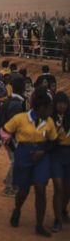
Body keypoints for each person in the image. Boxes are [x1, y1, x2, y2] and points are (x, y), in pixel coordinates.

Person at [1, 87, 57, 237]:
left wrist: (43, 152)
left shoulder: (49, 122)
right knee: (23, 190)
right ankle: (17, 209)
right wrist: (14, 149)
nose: (51, 111)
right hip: (23, 155)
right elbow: (5, 131)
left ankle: (39, 224)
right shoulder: (20, 119)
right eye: (49, 108)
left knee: (40, 188)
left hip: (42, 155)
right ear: (41, 108)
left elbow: (53, 141)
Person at [0, 78, 27, 197]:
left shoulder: (11, 101)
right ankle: (9, 187)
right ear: (22, 89)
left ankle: (11, 182)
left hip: (5, 135)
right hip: (10, 137)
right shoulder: (16, 104)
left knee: (16, 160)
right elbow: (14, 124)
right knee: (15, 161)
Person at [51, 92, 70, 232]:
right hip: (56, 154)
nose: (62, 105)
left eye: (65, 103)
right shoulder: (50, 118)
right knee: (58, 187)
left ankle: (63, 211)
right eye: (60, 103)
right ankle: (57, 220)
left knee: (67, 189)